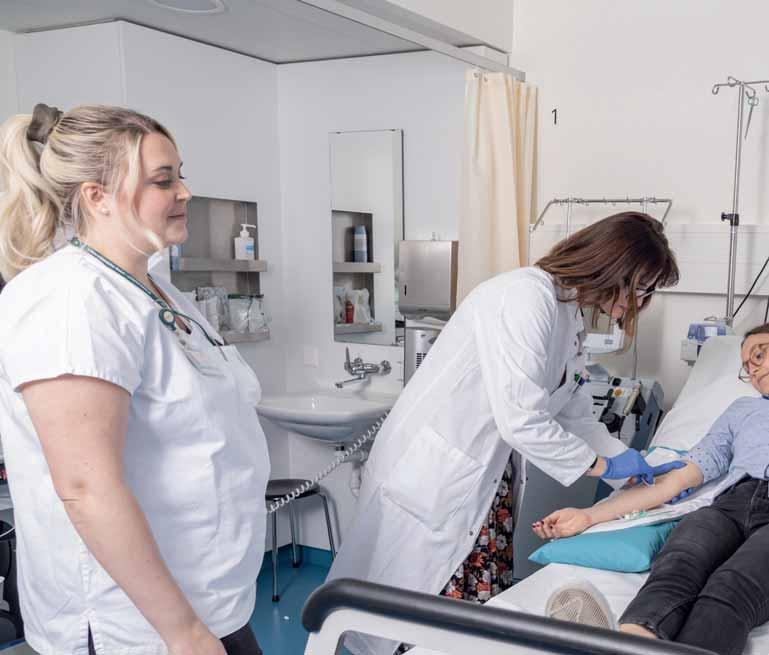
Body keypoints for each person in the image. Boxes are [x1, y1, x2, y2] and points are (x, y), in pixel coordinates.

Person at [326, 212, 682, 655]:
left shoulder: (569, 319)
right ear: (614, 267)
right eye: (642, 288)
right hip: (437, 480)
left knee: (469, 621)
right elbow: (521, 419)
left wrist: (632, 471)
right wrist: (602, 465)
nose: (640, 303)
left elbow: (574, 416)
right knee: (418, 623)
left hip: (485, 486)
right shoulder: (524, 297)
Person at [0, 104, 269, 655]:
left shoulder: (153, 289)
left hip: (207, 604)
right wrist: (183, 633)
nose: (185, 192)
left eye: (180, 175)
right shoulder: (72, 300)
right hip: (138, 629)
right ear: (96, 196)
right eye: (163, 180)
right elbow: (86, 488)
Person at [534, 322, 769, 655]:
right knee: (677, 565)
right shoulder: (742, 411)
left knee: (731, 586)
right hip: (730, 504)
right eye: (746, 365)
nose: (753, 369)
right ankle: (630, 644)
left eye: (759, 355)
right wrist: (588, 516)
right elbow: (676, 480)